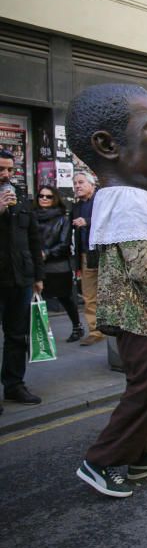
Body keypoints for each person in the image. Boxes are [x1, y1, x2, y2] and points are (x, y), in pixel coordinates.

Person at [67, 83, 147, 498]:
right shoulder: (125, 200)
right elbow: (143, 266)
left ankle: (145, 451)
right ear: (107, 145)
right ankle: (101, 460)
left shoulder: (135, 197)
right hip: (139, 312)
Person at [0, 150, 45, 410]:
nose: (5, 175)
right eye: (1, 169)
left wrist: (38, 276)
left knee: (17, 336)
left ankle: (14, 385)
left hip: (21, 279)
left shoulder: (20, 196)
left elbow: (34, 239)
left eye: (9, 169)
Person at [33, 186, 84, 342]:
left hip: (57, 264)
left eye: (48, 196)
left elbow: (65, 243)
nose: (44, 199)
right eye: (41, 196)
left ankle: (77, 326)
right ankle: (39, 334)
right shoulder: (31, 216)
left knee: (64, 297)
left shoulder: (63, 217)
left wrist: (46, 253)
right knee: (35, 299)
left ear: (54, 198)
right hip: (35, 263)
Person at [71, 171, 103, 346]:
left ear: (92, 185)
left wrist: (88, 221)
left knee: (108, 292)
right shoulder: (76, 206)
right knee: (89, 295)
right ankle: (95, 331)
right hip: (85, 255)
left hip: (103, 253)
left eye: (81, 182)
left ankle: (113, 327)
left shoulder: (101, 201)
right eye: (75, 183)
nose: (77, 186)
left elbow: (108, 219)